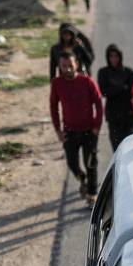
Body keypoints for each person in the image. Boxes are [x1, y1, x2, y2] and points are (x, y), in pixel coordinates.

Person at [50, 51, 103, 200]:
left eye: (70, 65)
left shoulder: (87, 82)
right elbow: (53, 107)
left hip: (89, 130)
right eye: (63, 66)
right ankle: (82, 179)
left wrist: (96, 127)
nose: (67, 69)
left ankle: (92, 194)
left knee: (91, 163)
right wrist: (58, 130)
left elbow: (98, 104)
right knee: (72, 163)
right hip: (69, 131)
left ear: (76, 65)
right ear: (59, 66)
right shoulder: (56, 83)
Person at [97, 43, 133, 151]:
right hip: (113, 117)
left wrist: (114, 88)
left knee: (132, 148)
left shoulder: (128, 72)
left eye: (116, 56)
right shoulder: (103, 72)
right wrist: (122, 87)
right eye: (111, 56)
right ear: (108, 57)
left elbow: (131, 92)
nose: (114, 59)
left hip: (129, 116)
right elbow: (104, 92)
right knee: (117, 150)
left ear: (120, 56)